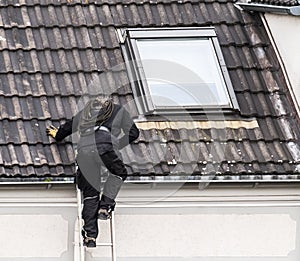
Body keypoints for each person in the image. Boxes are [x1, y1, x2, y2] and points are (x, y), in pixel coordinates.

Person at [46, 95, 139, 247]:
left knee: (90, 193)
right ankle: (105, 206)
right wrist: (116, 145)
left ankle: (90, 235)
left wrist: (58, 135)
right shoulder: (118, 110)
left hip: (84, 149)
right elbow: (134, 133)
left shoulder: (86, 112)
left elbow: (69, 127)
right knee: (119, 173)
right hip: (106, 146)